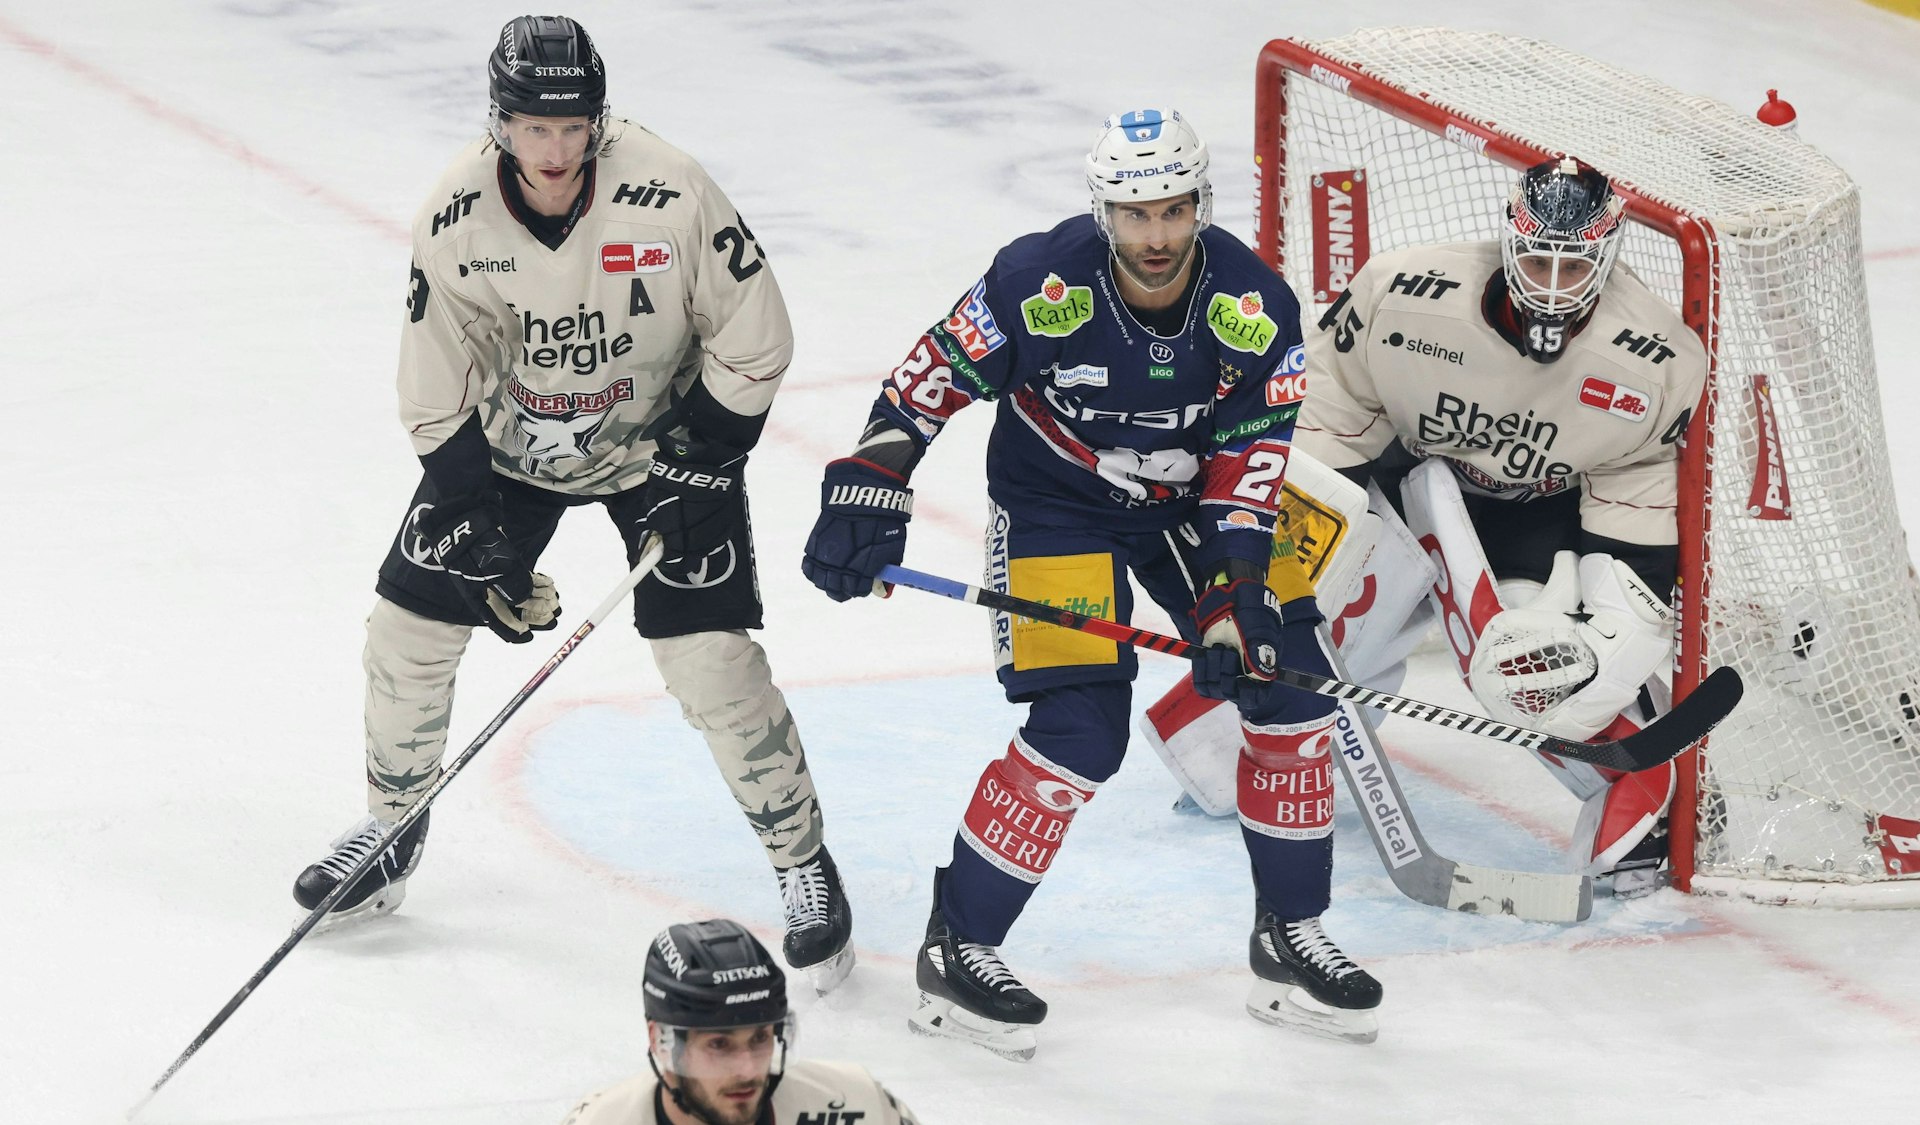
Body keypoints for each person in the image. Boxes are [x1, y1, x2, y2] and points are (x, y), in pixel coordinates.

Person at [801, 109, 1382, 1057]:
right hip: (1054, 505)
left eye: (1173, 210)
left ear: (1202, 205)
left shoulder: (1258, 307)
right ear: (1102, 212)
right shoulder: (1037, 281)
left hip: (1196, 503)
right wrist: (872, 482)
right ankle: (961, 946)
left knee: (1288, 689)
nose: (1155, 237)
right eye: (1134, 214)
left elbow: (1250, 469)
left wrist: (1237, 599)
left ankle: (1291, 933)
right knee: (1080, 729)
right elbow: (929, 376)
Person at [288, 15, 854, 988]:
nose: (556, 150)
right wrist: (474, 524)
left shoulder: (667, 190)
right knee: (406, 629)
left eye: (573, 125)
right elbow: (431, 388)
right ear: (500, 122)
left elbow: (754, 336)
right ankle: (390, 828)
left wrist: (707, 458)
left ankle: (802, 863)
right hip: (511, 450)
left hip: (668, 451)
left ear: (597, 118)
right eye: (533, 127)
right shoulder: (457, 215)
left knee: (709, 660)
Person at [1146, 157, 1707, 893]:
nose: (1551, 284)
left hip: (1540, 519)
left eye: (1573, 269)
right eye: (1538, 258)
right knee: (1285, 639)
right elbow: (1322, 421)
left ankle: (1639, 773)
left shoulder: (1655, 362)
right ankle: (1275, 733)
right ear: (1509, 239)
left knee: (1525, 663)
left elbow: (1633, 514)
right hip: (1398, 477)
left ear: (1608, 258)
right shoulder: (1406, 295)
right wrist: (1294, 576)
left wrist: (1606, 649)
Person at [562, 919, 920, 1125]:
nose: (748, 1068)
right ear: (662, 1042)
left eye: (760, 1038)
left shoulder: (853, 1104)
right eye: (719, 1044)